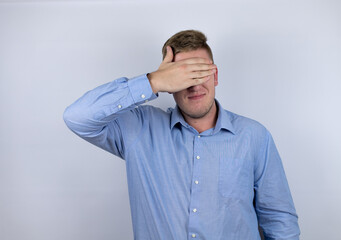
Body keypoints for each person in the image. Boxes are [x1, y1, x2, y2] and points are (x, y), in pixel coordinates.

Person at [63, 30, 300, 240]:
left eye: (201, 72)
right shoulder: (139, 128)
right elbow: (78, 117)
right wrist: (152, 81)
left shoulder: (254, 136)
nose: (195, 85)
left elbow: (280, 221)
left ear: (215, 75)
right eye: (183, 75)